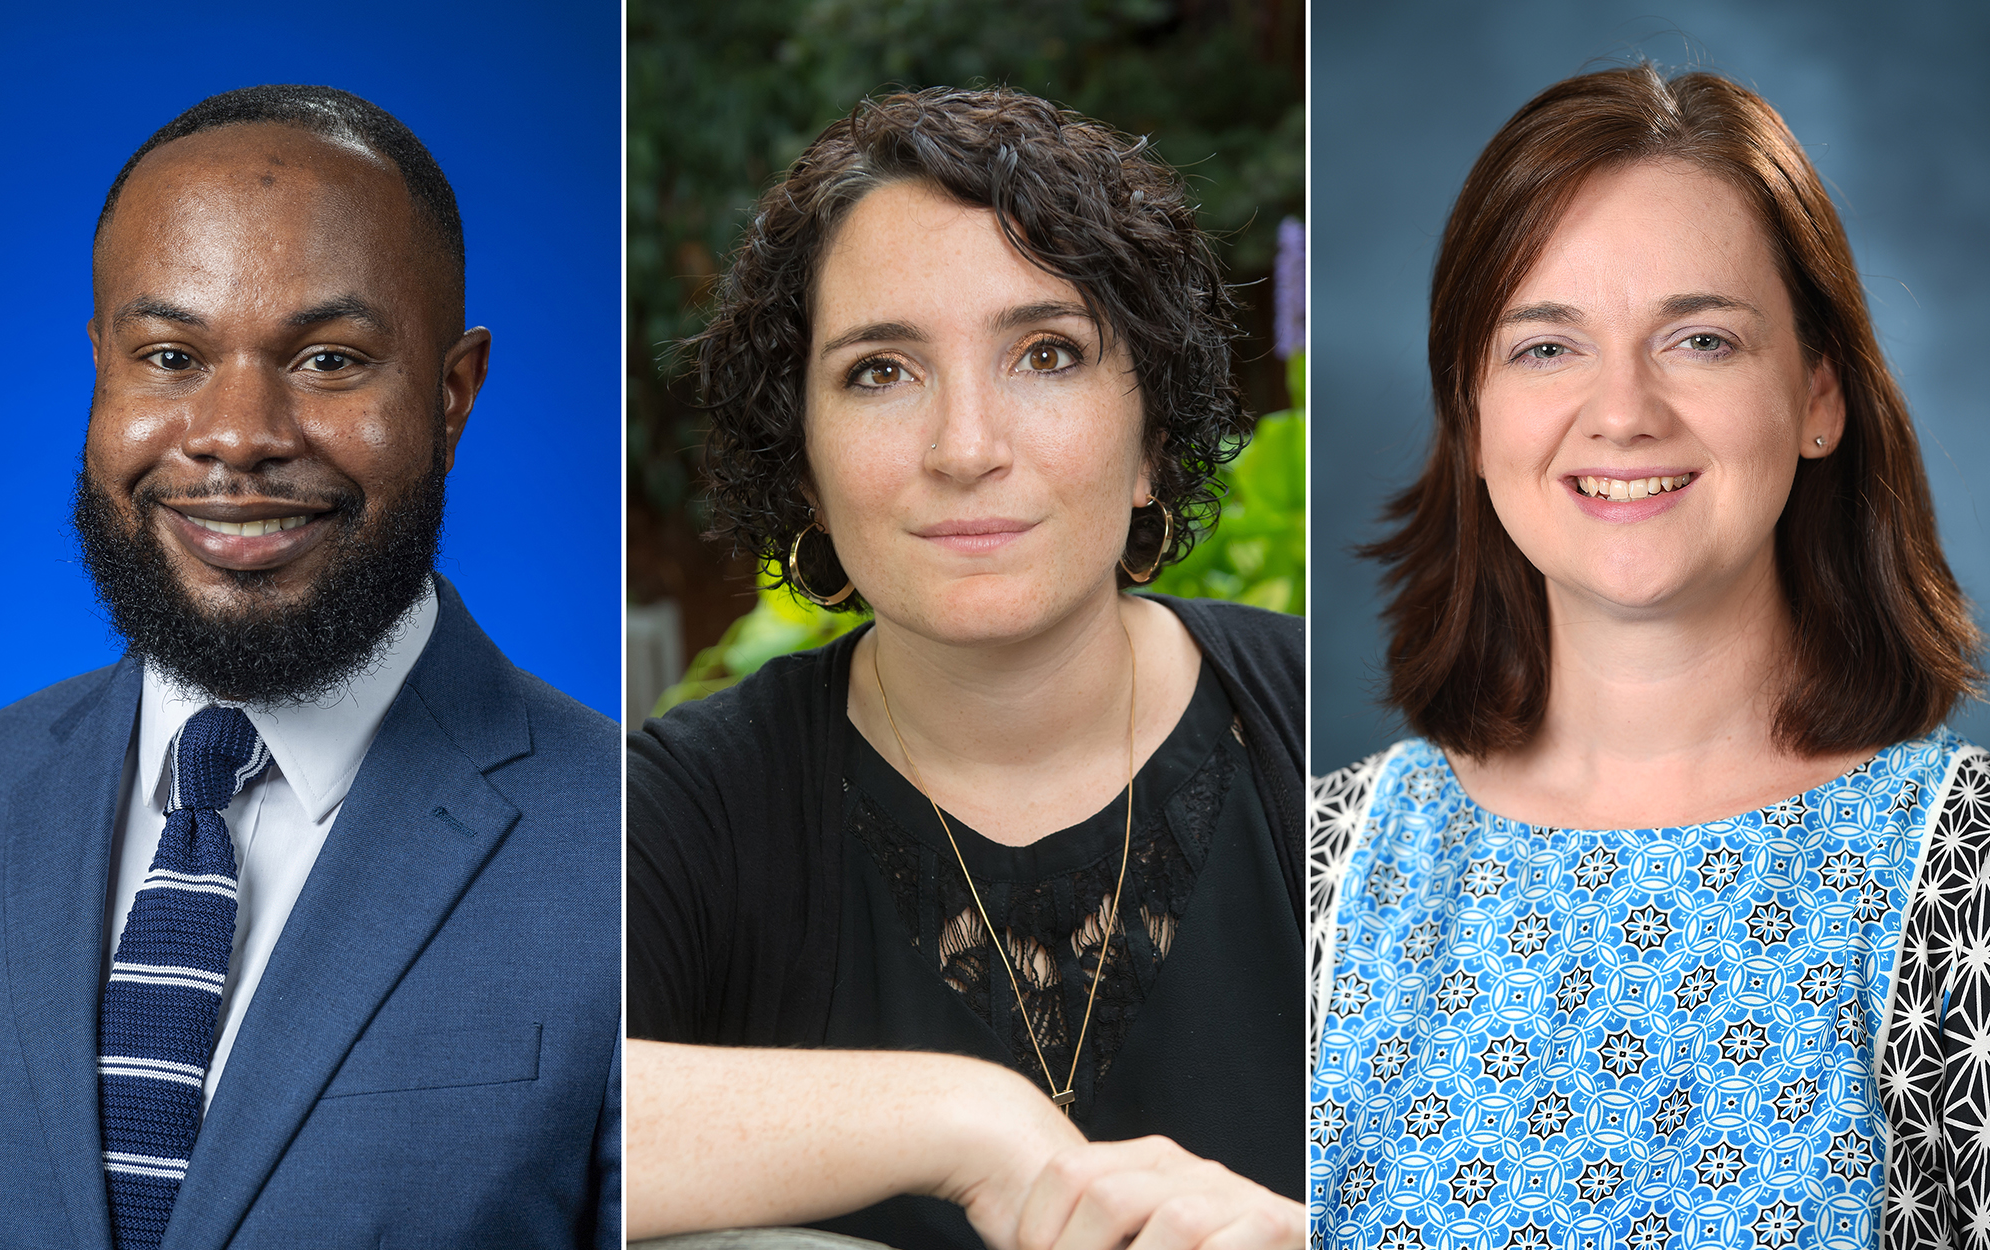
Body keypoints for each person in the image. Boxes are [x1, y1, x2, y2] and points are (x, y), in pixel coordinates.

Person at [1310, 64, 1988, 1248]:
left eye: (1700, 338)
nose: (1621, 411)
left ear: (1816, 392)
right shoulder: (1317, 862)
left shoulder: (1963, 882)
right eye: (1543, 347)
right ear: (1469, 415)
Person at [628, 87, 1307, 1250]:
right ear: (805, 467)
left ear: (1151, 440)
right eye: (880, 371)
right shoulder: (677, 810)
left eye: (1044, 353)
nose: (965, 448)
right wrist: (966, 1119)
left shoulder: (1345, 733)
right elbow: (490, 1105)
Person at [0, 86, 619, 1248]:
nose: (239, 431)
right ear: (101, 369)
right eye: (169, 354)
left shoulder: (625, 840)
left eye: (326, 358)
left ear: (453, 394)